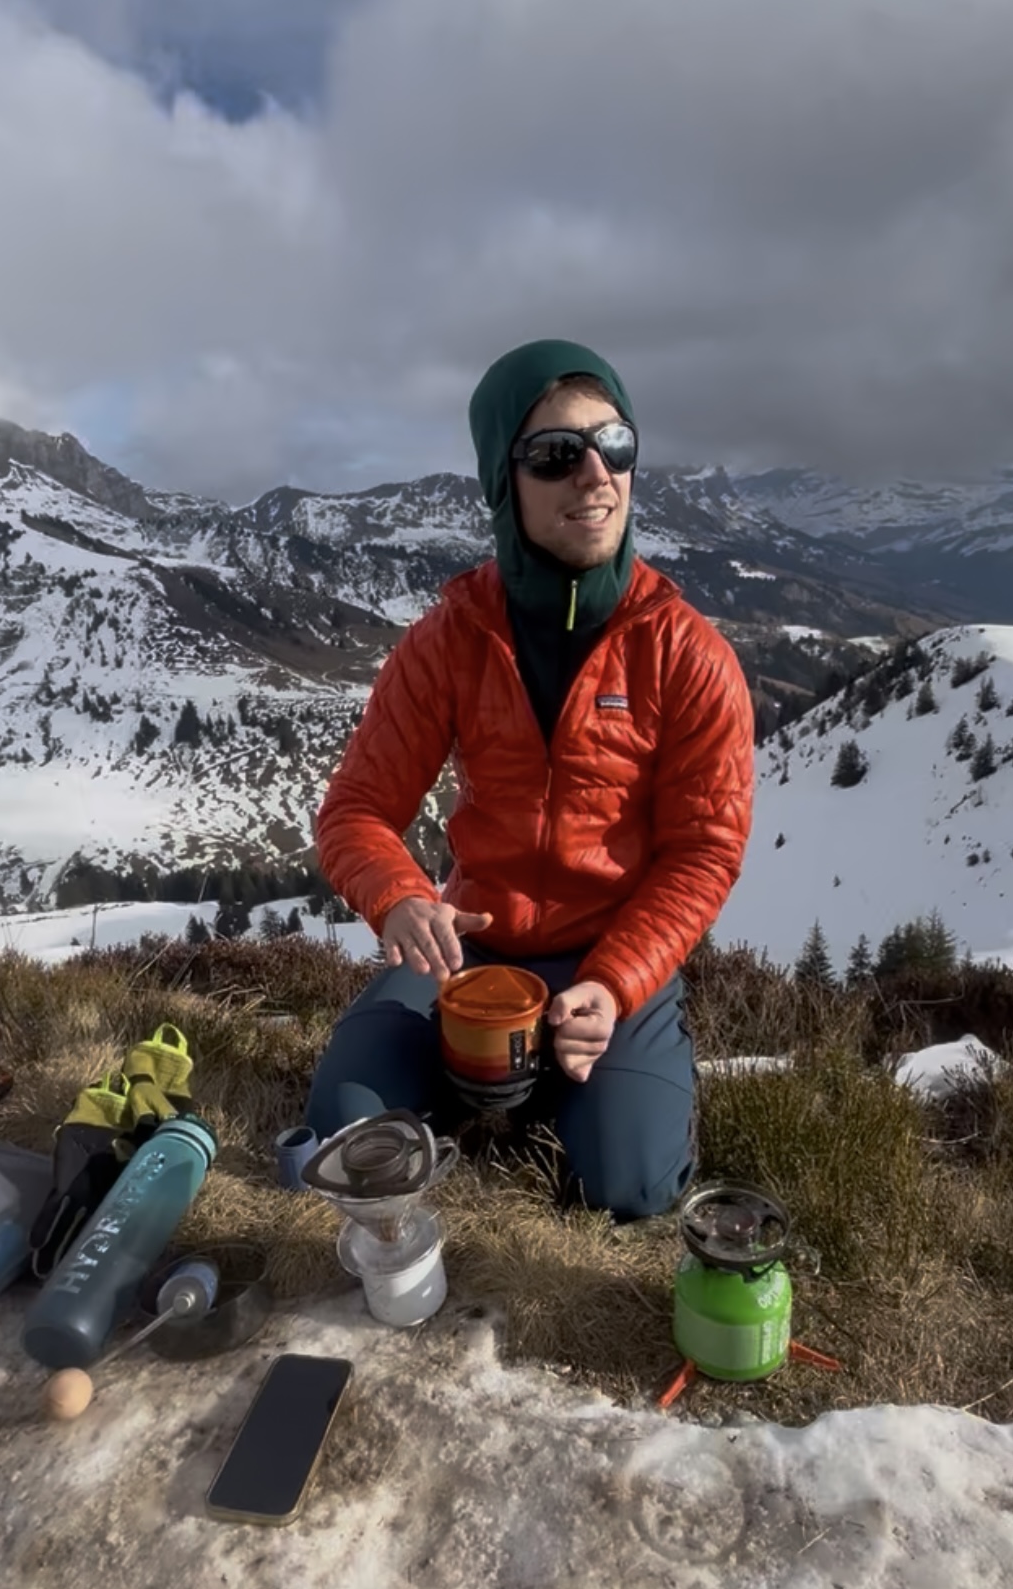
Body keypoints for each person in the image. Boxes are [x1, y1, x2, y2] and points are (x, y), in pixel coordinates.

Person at [306, 338, 754, 1219]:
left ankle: (580, 1077)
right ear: (502, 484)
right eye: (555, 454)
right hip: (471, 950)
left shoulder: (686, 653)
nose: (595, 474)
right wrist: (401, 901)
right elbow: (356, 810)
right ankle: (516, 1079)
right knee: (346, 1133)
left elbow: (705, 850)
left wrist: (619, 980)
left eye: (615, 445)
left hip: (609, 952)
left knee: (625, 1190)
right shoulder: (450, 639)